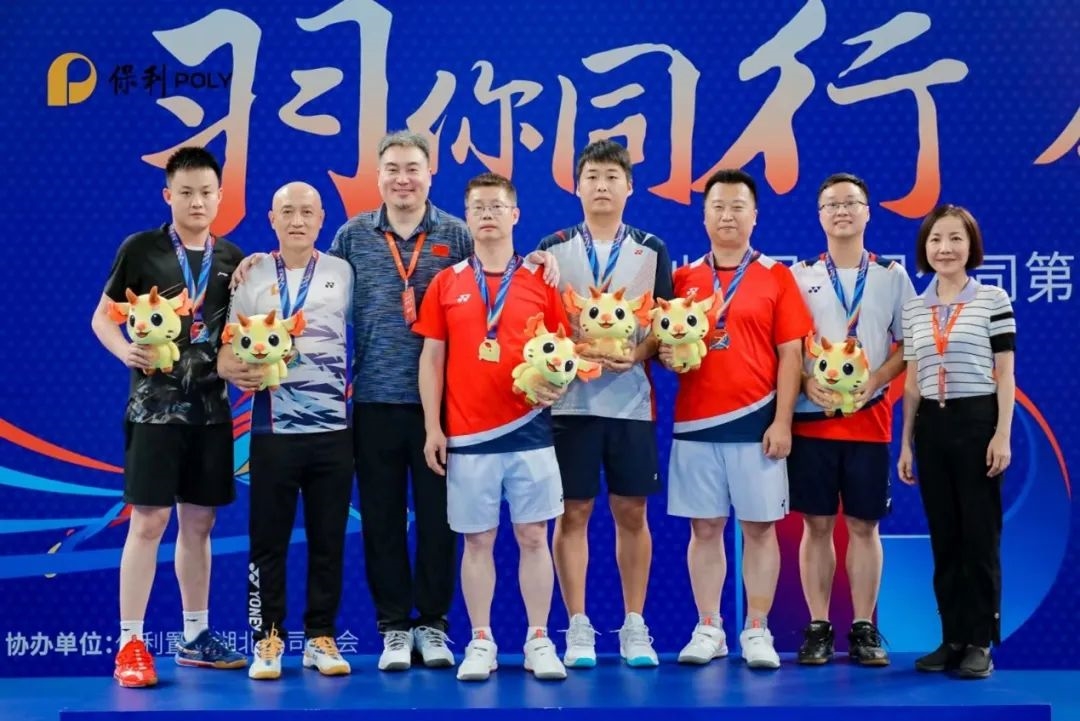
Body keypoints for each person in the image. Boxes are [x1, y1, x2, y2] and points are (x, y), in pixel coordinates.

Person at [303, 131, 555, 671]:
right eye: (392, 169)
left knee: (443, 521)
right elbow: (313, 282)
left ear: (430, 173)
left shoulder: (457, 232)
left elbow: (499, 270)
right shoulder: (353, 236)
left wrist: (538, 258)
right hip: (374, 399)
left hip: (445, 408)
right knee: (381, 519)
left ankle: (434, 626)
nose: (403, 179)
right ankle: (395, 627)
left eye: (412, 168)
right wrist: (260, 264)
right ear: (378, 177)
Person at [90, 146, 247, 688]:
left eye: (206, 192)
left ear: (220, 196)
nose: (197, 201)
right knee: (149, 521)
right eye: (186, 193)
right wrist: (124, 351)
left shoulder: (233, 259)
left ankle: (195, 636)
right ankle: (130, 643)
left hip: (212, 413)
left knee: (199, 524)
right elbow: (102, 318)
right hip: (154, 412)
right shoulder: (141, 249)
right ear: (168, 196)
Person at [415, 172, 570, 682]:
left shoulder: (542, 279)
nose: (487, 214)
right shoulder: (447, 282)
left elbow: (563, 351)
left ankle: (539, 639)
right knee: (477, 541)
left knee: (534, 536)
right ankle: (480, 640)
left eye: (496, 206)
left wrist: (560, 385)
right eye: (478, 207)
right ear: (467, 218)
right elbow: (432, 359)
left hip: (530, 431)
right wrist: (433, 427)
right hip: (468, 435)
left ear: (515, 215)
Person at [662, 168, 812, 670]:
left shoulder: (776, 276)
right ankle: (709, 626)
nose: (727, 216)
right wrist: (667, 354)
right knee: (705, 528)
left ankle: (757, 628)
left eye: (737, 207)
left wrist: (783, 421)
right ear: (704, 216)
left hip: (756, 424)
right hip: (696, 425)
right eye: (718, 207)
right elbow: (663, 344)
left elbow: (791, 355)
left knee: (760, 529)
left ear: (755, 216)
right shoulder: (683, 279)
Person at [537, 139, 673, 668]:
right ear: (576, 186)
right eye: (592, 176)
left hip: (630, 404)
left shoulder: (652, 249)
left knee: (631, 512)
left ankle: (634, 624)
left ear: (629, 187)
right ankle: (577, 626)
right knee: (573, 512)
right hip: (568, 406)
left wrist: (635, 353)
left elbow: (668, 326)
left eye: (612, 177)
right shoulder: (552, 248)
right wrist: (570, 355)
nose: (601, 186)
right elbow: (539, 326)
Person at [220, 182, 354, 680]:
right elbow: (226, 350)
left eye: (307, 212)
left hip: (333, 430)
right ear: (271, 219)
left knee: (328, 540)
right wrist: (236, 369)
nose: (297, 221)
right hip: (272, 430)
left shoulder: (342, 272)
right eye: (287, 212)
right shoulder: (253, 273)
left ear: (321, 219)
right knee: (268, 542)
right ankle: (267, 639)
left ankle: (320, 637)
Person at [788, 173, 916, 666]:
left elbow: (908, 345)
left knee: (864, 526)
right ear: (819, 215)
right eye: (832, 204)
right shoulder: (799, 275)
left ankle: (864, 627)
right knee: (816, 525)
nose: (842, 211)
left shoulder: (891, 275)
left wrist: (877, 379)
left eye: (851, 203)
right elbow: (787, 347)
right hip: (812, 419)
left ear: (867, 212)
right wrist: (805, 382)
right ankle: (819, 627)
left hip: (869, 419)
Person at [898, 204, 1015, 679]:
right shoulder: (914, 308)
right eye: (935, 239)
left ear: (971, 246)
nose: (944, 248)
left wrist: (1002, 434)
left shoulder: (993, 299)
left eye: (955, 239)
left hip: (977, 422)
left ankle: (980, 642)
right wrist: (906, 443)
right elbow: (911, 383)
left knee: (979, 537)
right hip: (932, 427)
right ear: (924, 248)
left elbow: (1005, 375)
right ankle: (951, 638)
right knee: (945, 538)